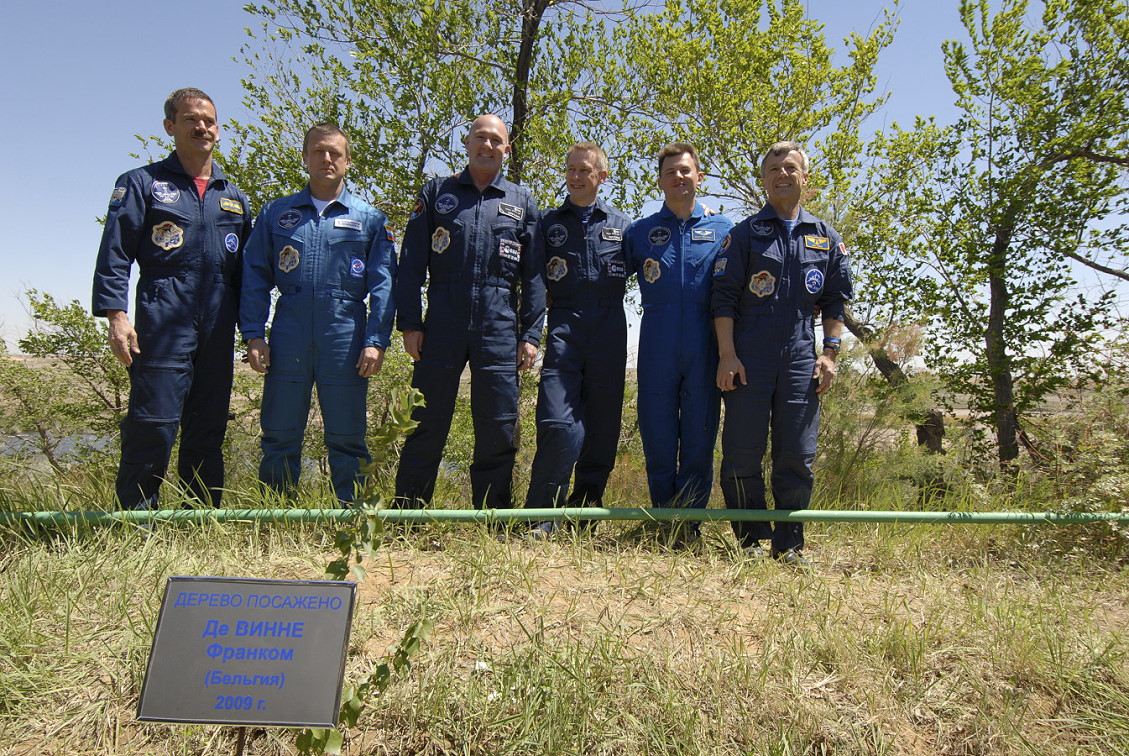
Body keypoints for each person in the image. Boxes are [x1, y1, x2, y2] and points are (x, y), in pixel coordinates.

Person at [92, 88, 251, 510]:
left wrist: (252, 330)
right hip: (163, 319)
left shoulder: (233, 196)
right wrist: (116, 317)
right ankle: (136, 520)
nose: (202, 127)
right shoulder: (142, 183)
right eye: (191, 119)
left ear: (218, 129)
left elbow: (247, 274)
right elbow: (115, 253)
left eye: (209, 120)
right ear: (170, 127)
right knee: (153, 424)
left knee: (208, 427)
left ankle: (201, 517)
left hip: (218, 324)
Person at [711, 141, 853, 565]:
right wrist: (727, 354)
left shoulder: (826, 238)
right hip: (749, 357)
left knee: (797, 454)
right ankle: (751, 540)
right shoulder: (744, 234)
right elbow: (723, 298)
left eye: (790, 167)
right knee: (742, 452)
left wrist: (830, 354)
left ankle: (789, 544)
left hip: (799, 358)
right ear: (764, 180)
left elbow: (835, 301)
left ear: (805, 177)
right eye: (773, 169)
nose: (782, 174)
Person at [394, 114, 545, 510]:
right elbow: (410, 264)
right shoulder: (436, 193)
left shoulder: (522, 201)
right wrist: (409, 323)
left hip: (499, 325)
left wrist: (530, 334)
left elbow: (534, 277)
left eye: (496, 140)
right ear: (467, 142)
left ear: (506, 149)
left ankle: (492, 517)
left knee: (498, 424)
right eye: (480, 137)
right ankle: (408, 514)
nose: (487, 145)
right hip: (442, 321)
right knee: (425, 420)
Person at [240, 123, 397, 503]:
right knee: (279, 433)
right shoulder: (277, 213)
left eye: (335, 153)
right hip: (288, 331)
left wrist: (376, 341)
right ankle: (275, 516)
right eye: (318, 151)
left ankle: (351, 518)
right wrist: (254, 334)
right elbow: (254, 275)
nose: (327, 158)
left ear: (348, 160)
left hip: (344, 333)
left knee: (348, 436)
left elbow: (384, 285)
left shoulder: (370, 219)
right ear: (305, 157)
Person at [626, 143, 734, 540]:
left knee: (699, 436)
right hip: (658, 343)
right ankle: (662, 519)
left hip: (705, 345)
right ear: (659, 180)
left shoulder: (724, 230)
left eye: (685, 170)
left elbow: (741, 286)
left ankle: (688, 525)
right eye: (670, 171)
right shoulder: (639, 232)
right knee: (657, 433)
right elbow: (603, 277)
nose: (678, 177)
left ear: (699, 177)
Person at [526, 142, 632, 537]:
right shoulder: (548, 224)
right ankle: (540, 517)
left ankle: (584, 517)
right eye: (570, 169)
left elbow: (657, 261)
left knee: (602, 430)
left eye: (584, 170)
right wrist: (530, 332)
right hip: (565, 330)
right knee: (558, 424)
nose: (575, 176)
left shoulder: (623, 227)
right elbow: (534, 282)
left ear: (601, 176)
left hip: (609, 331)